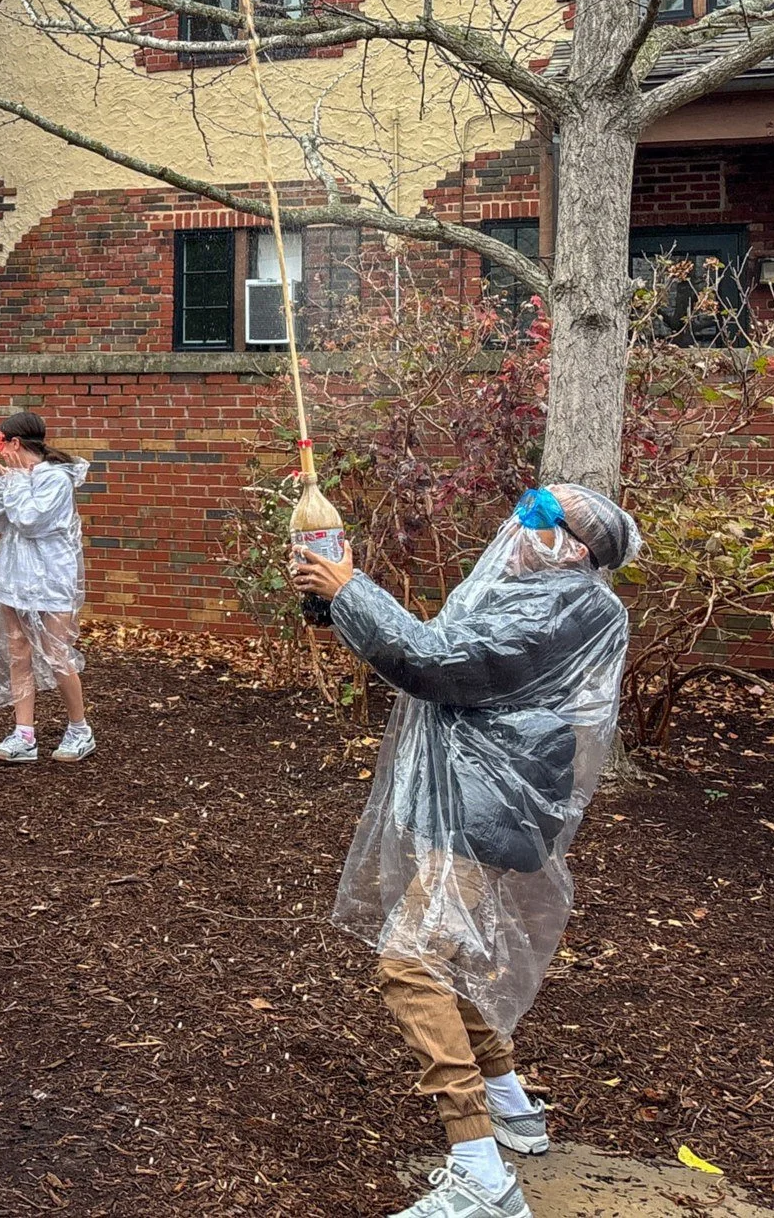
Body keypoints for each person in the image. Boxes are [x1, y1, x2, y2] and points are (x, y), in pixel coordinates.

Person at [292, 483, 642, 1218]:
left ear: (576, 549)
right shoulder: (530, 589)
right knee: (442, 953)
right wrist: (335, 594)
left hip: (490, 804)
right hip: (466, 796)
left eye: (543, 518)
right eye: (529, 509)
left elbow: (437, 661)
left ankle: (480, 1166)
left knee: (410, 964)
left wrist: (352, 588)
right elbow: (428, 646)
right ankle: (512, 1108)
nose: (522, 523)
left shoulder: (570, 606)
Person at [0, 412, 93, 764]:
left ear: (14, 443)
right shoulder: (12, 478)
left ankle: (79, 729)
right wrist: (4, 481)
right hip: (14, 576)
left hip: (51, 577)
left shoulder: (55, 479)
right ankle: (24, 734)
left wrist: (14, 484)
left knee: (57, 653)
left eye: (3, 442)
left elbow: (29, 520)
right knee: (18, 653)